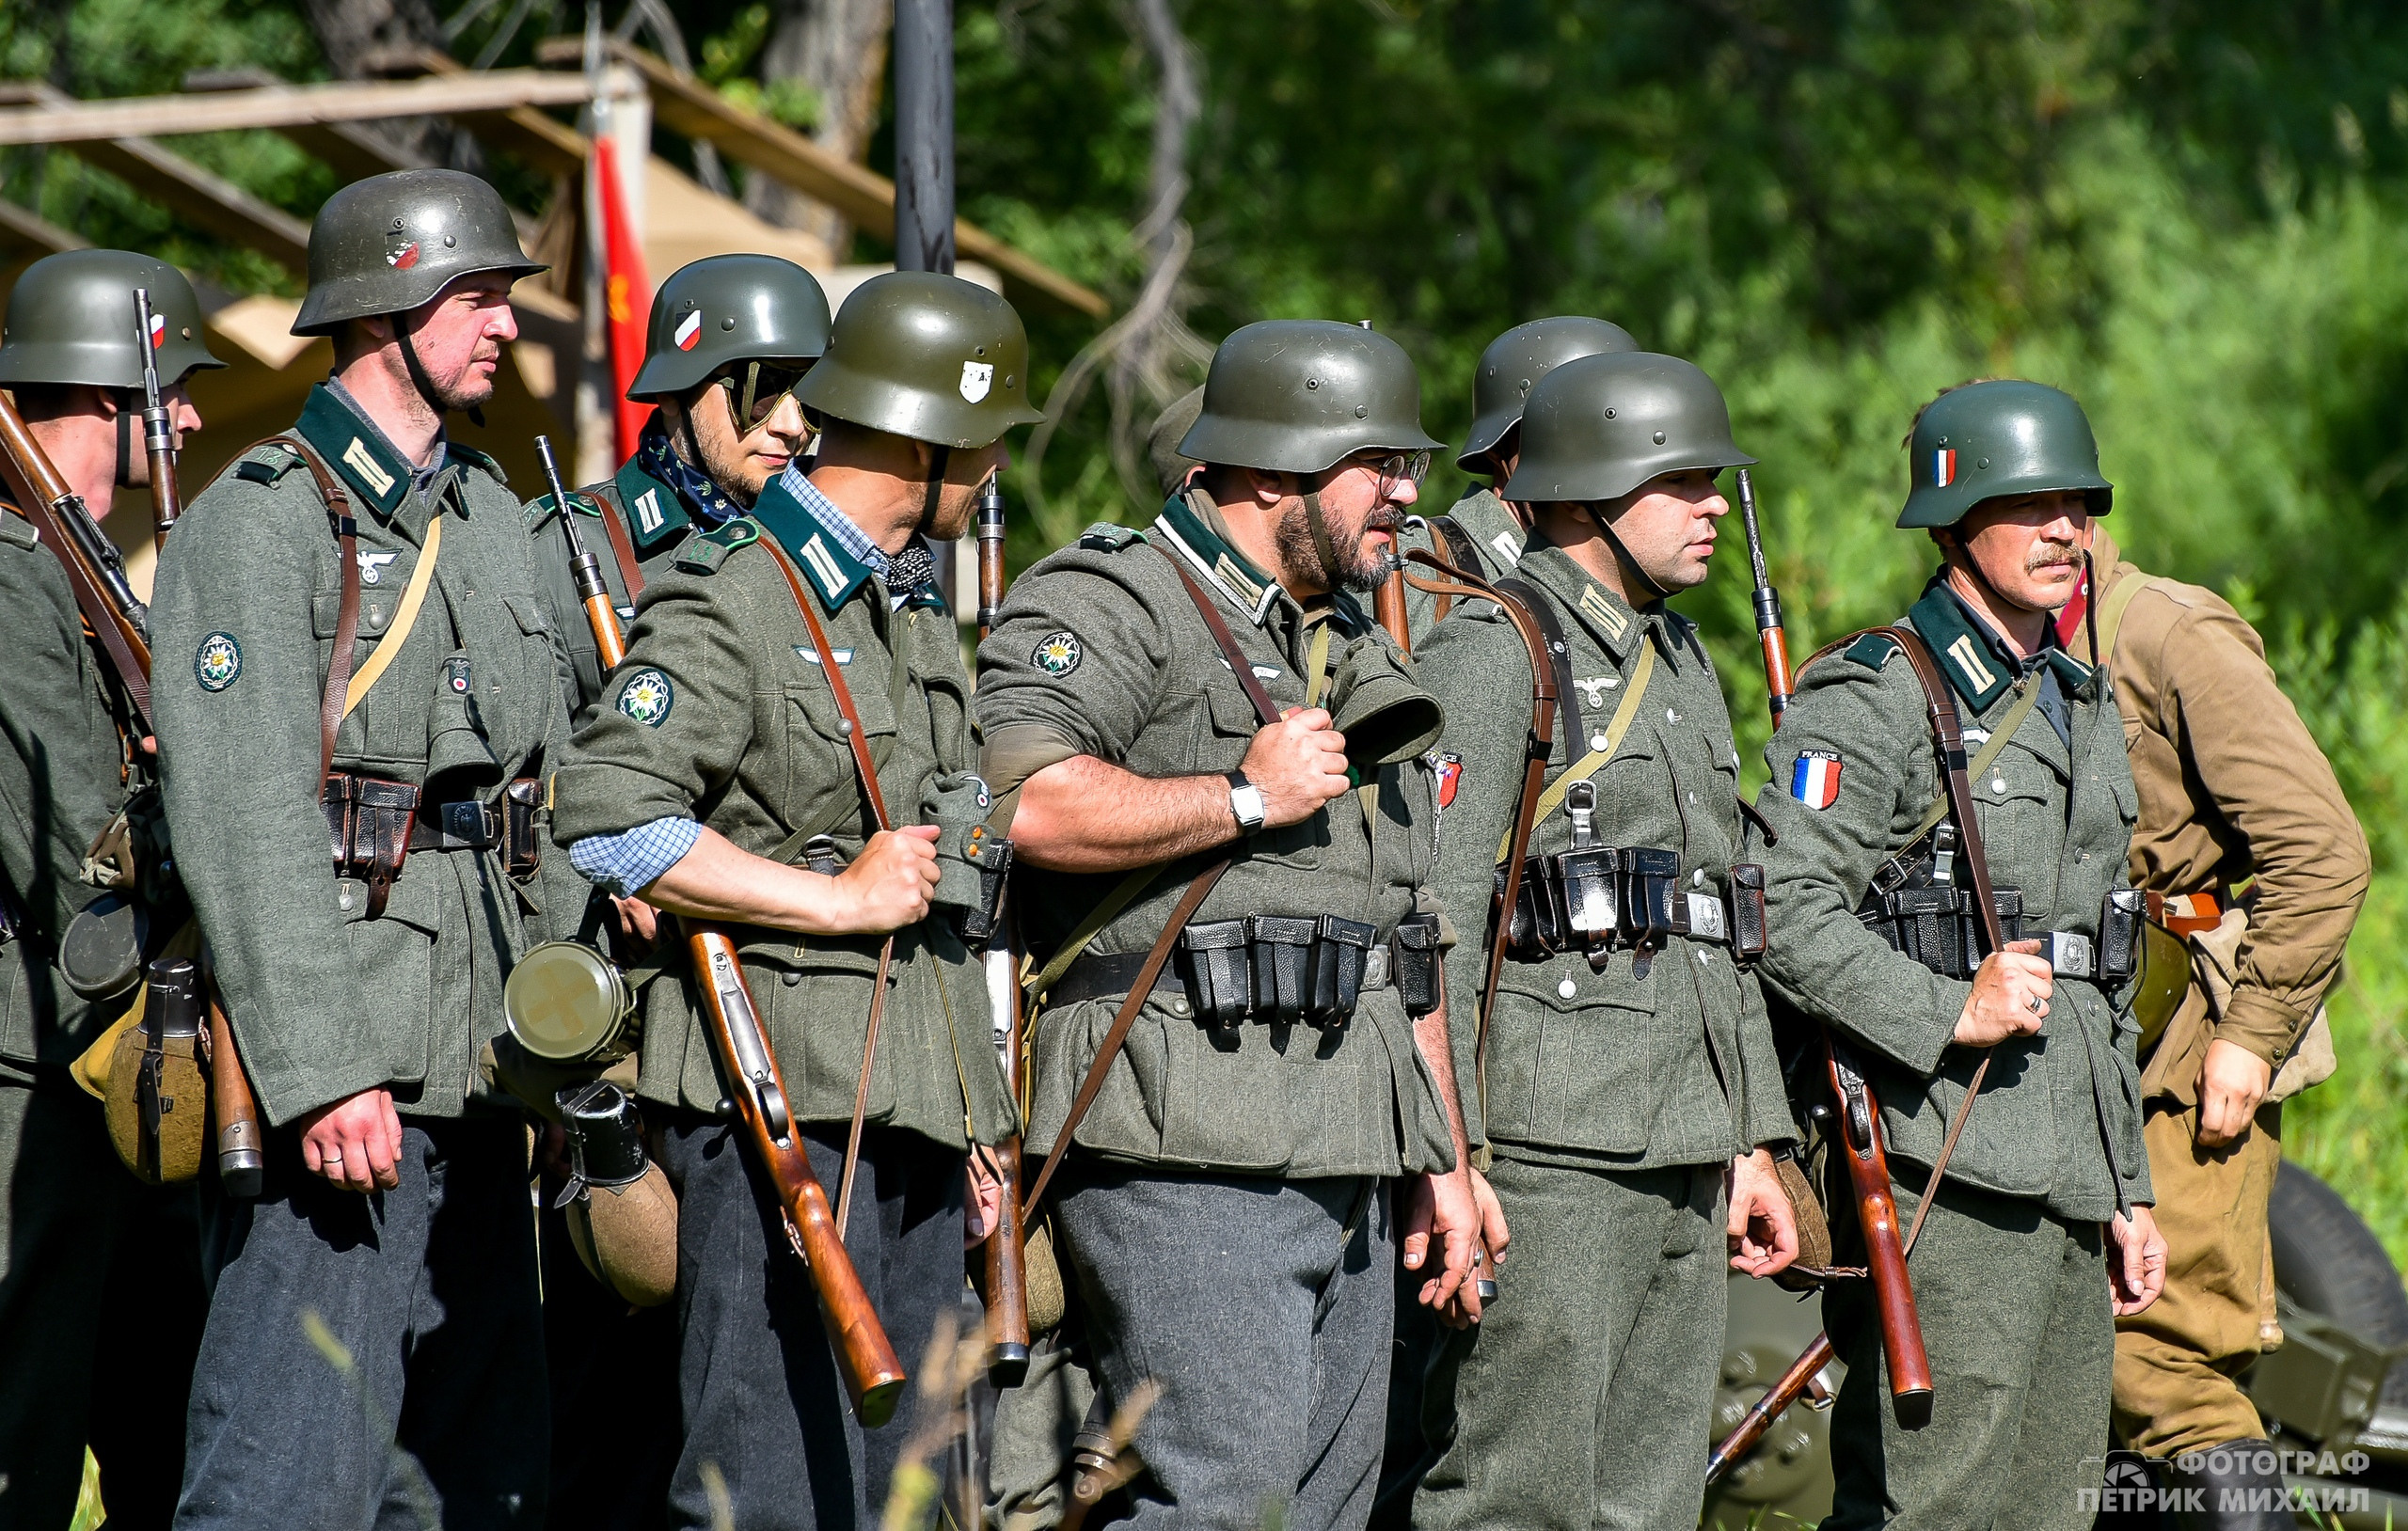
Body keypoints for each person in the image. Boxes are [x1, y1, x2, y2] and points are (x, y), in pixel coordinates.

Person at [974, 318, 1500, 1530]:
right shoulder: (1115, 595)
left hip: (1346, 1144)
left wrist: (1442, 1157)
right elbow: (1021, 798)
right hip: (1184, 1139)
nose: (1409, 496)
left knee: (1319, 1510)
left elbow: (1397, 932)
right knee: (1221, 1504)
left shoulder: (1342, 638)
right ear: (1274, 471)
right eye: (1382, 463)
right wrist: (1243, 796)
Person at [548, 270, 1029, 1530]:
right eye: (980, 449)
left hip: (912, 1111)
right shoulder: (736, 591)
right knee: (761, 1491)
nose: (990, 477)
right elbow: (607, 817)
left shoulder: (909, 611)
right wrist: (827, 903)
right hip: (777, 1111)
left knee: (904, 1500)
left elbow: (947, 888)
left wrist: (977, 1107)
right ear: (925, 446)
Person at [152, 167, 583, 1529]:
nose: (507, 325)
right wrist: (325, 1069)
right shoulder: (261, 518)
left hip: (493, 1064)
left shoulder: (501, 518)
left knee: (471, 1487)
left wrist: (568, 1034)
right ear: (385, 307)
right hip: (349, 1077)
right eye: (477, 295)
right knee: (286, 1475)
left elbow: (547, 784)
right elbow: (239, 812)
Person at [1751, 378, 2166, 1530]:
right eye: (2025, 503)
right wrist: (1945, 1010)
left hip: (2067, 1172)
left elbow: (2098, 970)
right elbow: (1781, 904)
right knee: (1935, 1503)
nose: (2063, 530)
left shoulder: (2074, 698)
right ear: (1949, 521)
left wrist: (2126, 1185)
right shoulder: (1878, 696)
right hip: (1948, 1161)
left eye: (2077, 504)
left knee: (2050, 1509)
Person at [1406, 351, 1799, 1531]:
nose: (1715, 503)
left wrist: (1749, 1139)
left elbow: (1710, 918)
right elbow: (1435, 925)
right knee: (1516, 1496)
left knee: (1653, 1500)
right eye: (1683, 479)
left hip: (1682, 1141)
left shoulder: (1677, 656)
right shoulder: (1494, 650)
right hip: (1548, 1153)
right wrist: (1450, 1156)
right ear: (1593, 484)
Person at [2068, 522, 2368, 1523]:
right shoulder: (1978, 643)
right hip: (2040, 1044)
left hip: (2178, 1047)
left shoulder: (2164, 633)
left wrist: (2252, 1029)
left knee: (2164, 1361)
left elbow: (2320, 849)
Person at [0, 247, 220, 1531]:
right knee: (22, 1435)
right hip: (36, 1058)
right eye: (170, 388)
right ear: (101, 386)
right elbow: (75, 844)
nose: (186, 416)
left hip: (121, 1056)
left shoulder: (76, 566)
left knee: (166, 1432)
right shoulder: (16, 572)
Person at [529, 252, 832, 718]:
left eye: (812, 396)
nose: (794, 426)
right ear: (673, 391)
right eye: (763, 390)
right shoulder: (556, 546)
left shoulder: (831, 542)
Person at [1391, 316, 1636, 639]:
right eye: (1565, 437)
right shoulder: (1421, 567)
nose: (1589, 464)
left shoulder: (1626, 579)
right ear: (1500, 447)